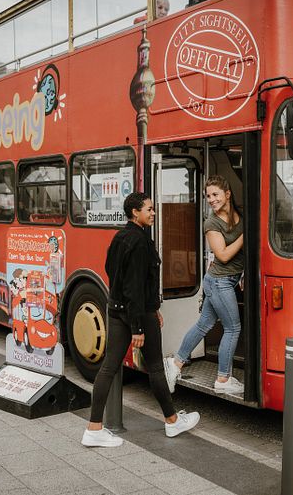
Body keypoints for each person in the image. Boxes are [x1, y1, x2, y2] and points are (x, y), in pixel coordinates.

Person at [82, 192, 199, 448]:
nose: (153, 212)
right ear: (135, 212)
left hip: (117, 310)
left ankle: (93, 428)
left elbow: (112, 273)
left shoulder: (120, 237)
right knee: (156, 367)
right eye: (148, 209)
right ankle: (171, 421)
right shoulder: (139, 241)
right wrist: (138, 325)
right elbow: (135, 286)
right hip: (137, 314)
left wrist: (152, 307)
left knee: (108, 367)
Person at [164, 176, 245, 395]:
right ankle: (223, 379)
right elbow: (223, 255)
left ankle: (175, 364)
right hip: (220, 282)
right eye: (208, 196)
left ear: (227, 194)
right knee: (233, 328)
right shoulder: (211, 223)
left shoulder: (238, 213)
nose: (211, 199)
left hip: (225, 279)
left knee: (203, 325)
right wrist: (246, 236)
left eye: (215, 194)